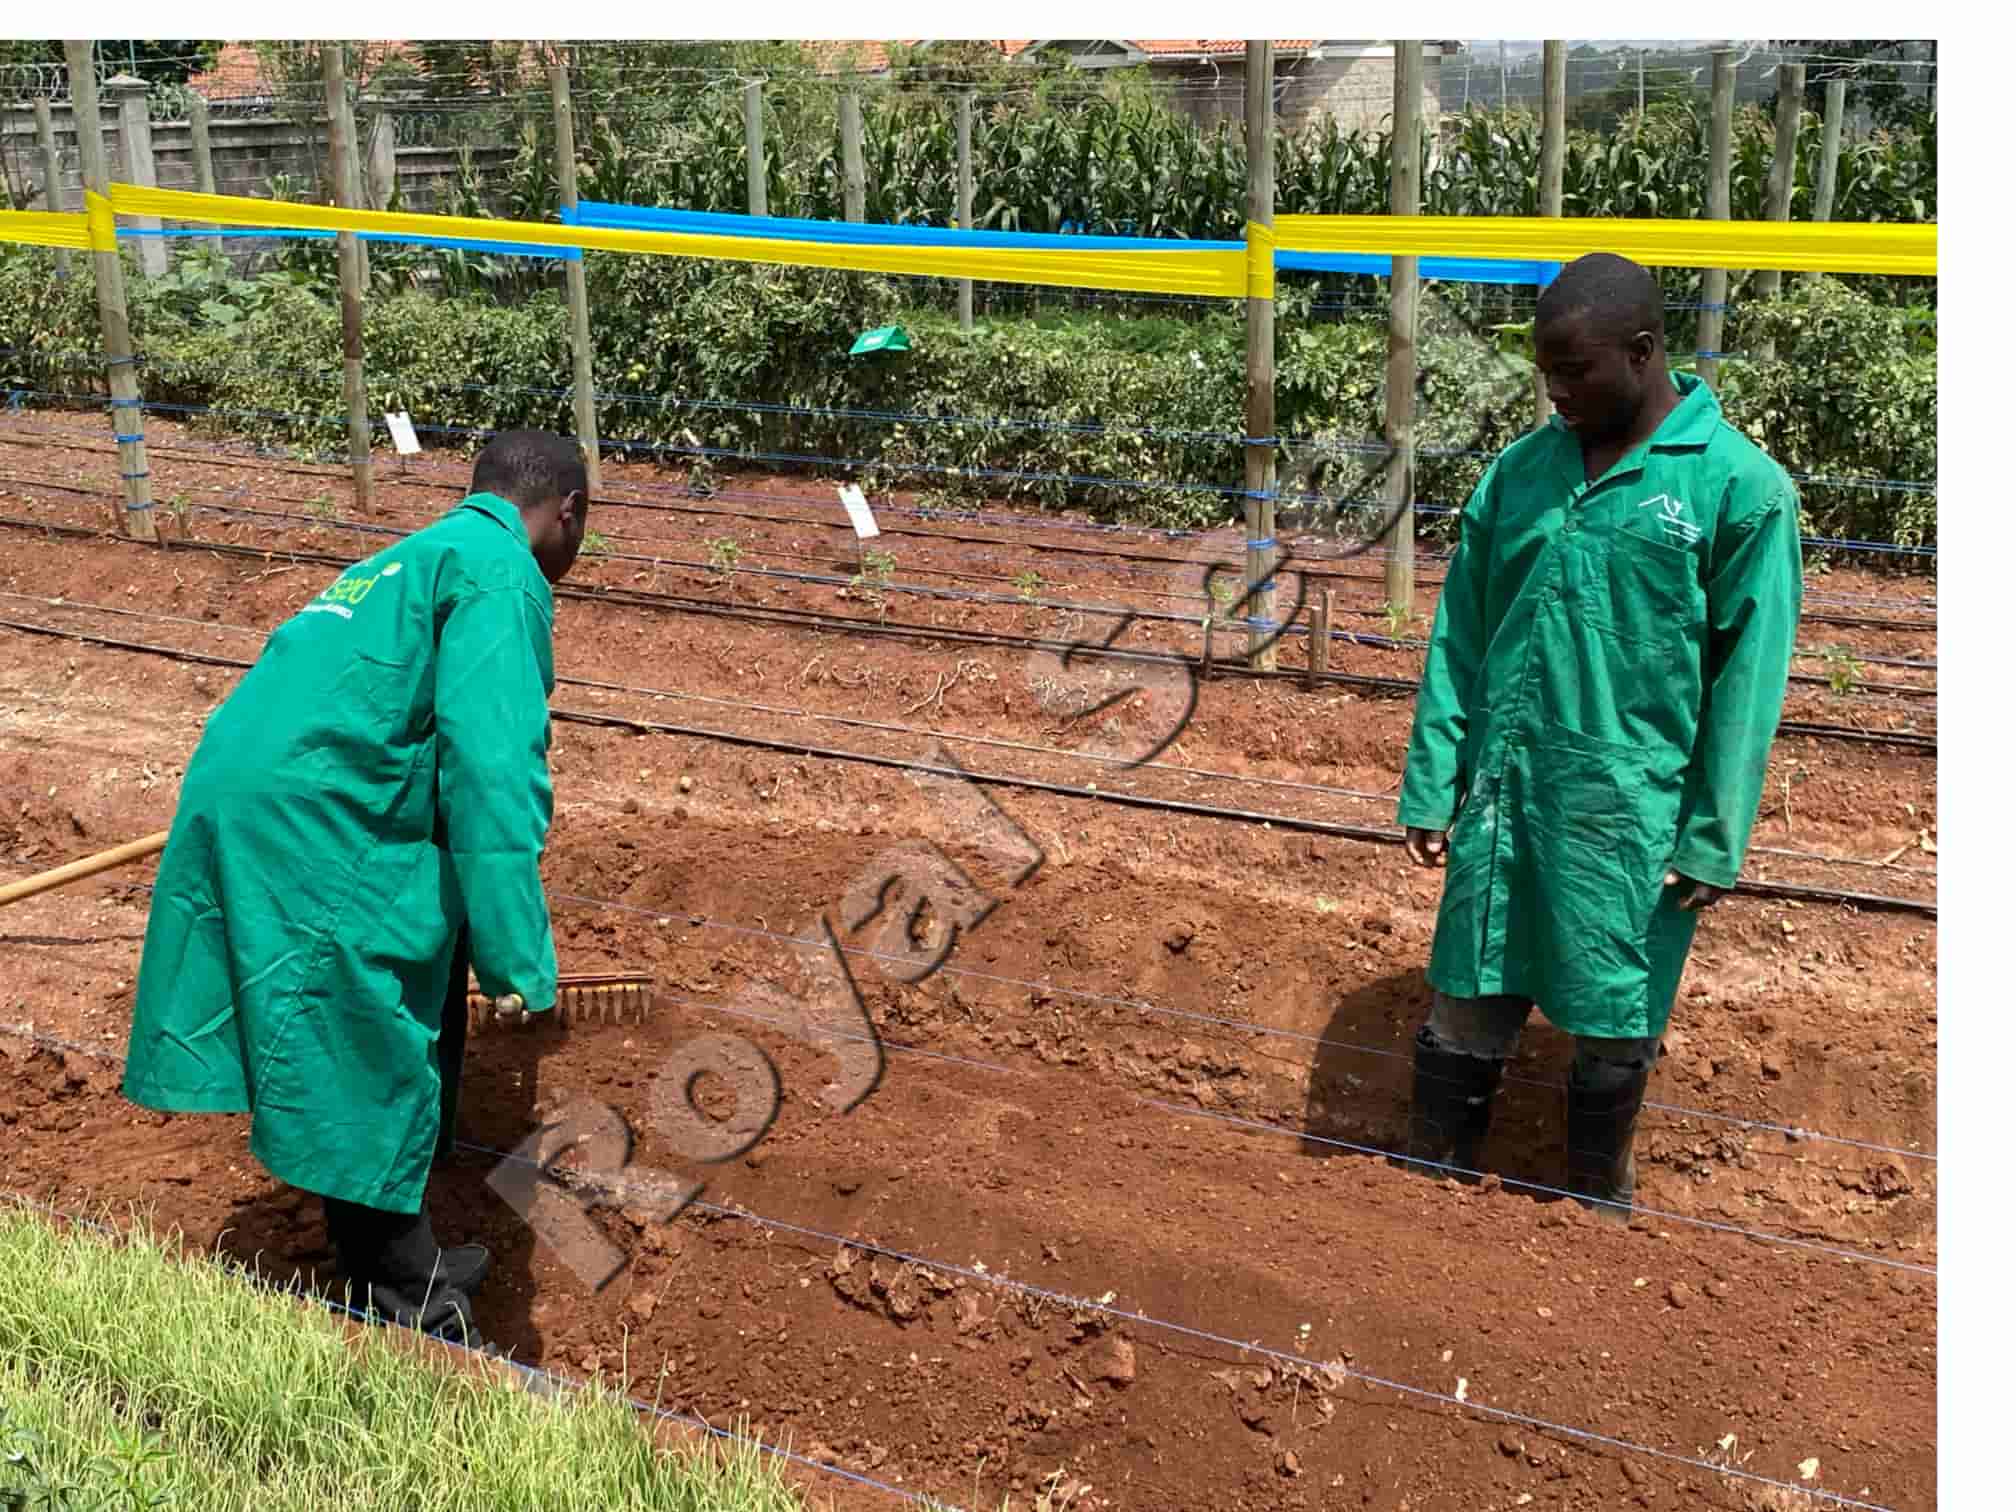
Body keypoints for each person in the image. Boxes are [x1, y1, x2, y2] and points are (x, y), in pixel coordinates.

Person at [121, 429, 589, 1345]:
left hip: (257, 790)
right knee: (365, 1025)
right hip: (318, 815)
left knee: (351, 1021)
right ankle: (411, 1301)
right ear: (568, 512)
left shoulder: (413, 556)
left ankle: (389, 1258)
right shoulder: (500, 574)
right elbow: (492, 769)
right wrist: (517, 958)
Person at [1394, 252, 1802, 1224]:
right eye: (1546, 372)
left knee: (1617, 1021)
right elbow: (1461, 636)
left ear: (1644, 351)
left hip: (1631, 819)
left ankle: (1591, 1221)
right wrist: (1433, 777)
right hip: (1507, 797)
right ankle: (1419, 1214)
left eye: (1575, 372)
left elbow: (1748, 684)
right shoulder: (1520, 473)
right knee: (1467, 995)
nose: (1557, 392)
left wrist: (1714, 835)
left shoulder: (1739, 490)